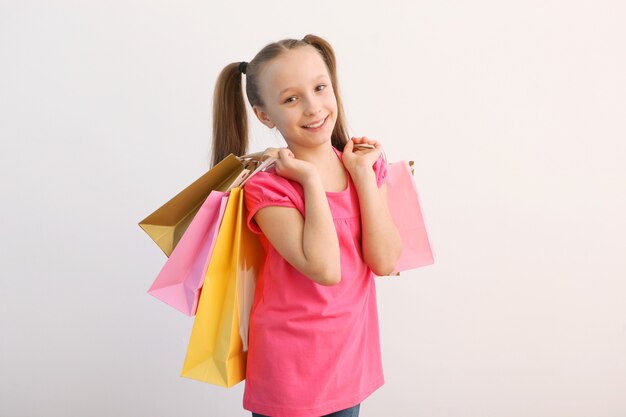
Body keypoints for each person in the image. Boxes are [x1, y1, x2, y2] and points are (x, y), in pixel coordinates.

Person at [210, 34, 403, 417]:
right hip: (290, 369)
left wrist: (363, 176)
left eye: (320, 88)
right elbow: (325, 269)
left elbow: (385, 261)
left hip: (349, 361)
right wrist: (311, 181)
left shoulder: (364, 165)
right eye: (291, 98)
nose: (313, 107)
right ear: (265, 115)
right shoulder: (267, 186)